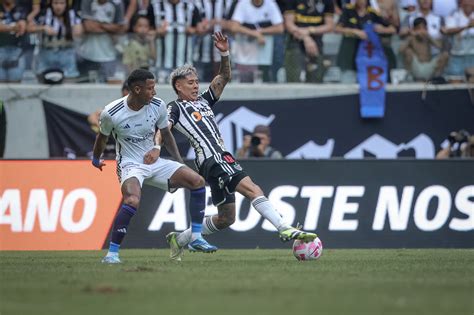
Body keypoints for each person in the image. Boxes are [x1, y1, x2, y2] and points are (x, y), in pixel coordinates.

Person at [165, 31, 317, 261]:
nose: (196, 86)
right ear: (178, 86)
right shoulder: (175, 108)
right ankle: (284, 227)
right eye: (190, 83)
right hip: (214, 157)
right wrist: (157, 147)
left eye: (197, 82)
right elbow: (164, 127)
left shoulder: (204, 101)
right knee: (253, 189)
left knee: (227, 218)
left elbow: (224, 77)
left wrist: (225, 53)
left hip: (211, 162)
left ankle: (181, 238)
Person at [92, 69, 217, 264]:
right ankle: (112, 254)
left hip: (155, 162)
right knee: (132, 200)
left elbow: (166, 135)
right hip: (130, 164)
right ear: (137, 89)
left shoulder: (157, 105)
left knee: (197, 181)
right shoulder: (112, 112)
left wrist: (180, 163)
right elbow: (102, 138)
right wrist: (95, 158)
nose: (155, 92)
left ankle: (195, 237)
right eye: (150, 88)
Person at [26, 0, 82, 80]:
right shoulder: (44, 14)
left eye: (62, 3)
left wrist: (75, 29)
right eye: (55, 3)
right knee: (43, 84)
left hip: (66, 53)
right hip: (46, 54)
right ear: (51, 4)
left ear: (66, 4)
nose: (58, 7)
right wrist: (43, 28)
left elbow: (79, 31)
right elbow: (28, 28)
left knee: (69, 83)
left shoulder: (72, 15)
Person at [283, 0, 335, 83]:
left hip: (316, 44)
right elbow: (289, 24)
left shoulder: (327, 1)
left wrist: (310, 30)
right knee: (293, 81)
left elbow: (330, 26)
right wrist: (306, 38)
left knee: (316, 81)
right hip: (295, 42)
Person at [399, 16, 448, 81]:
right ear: (414, 29)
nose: (421, 31)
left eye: (423, 28)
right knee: (408, 51)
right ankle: (409, 77)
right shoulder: (411, 38)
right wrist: (411, 36)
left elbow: (440, 46)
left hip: (428, 66)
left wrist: (428, 36)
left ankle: (435, 78)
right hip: (416, 67)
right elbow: (400, 51)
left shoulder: (428, 37)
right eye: (419, 28)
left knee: (445, 55)